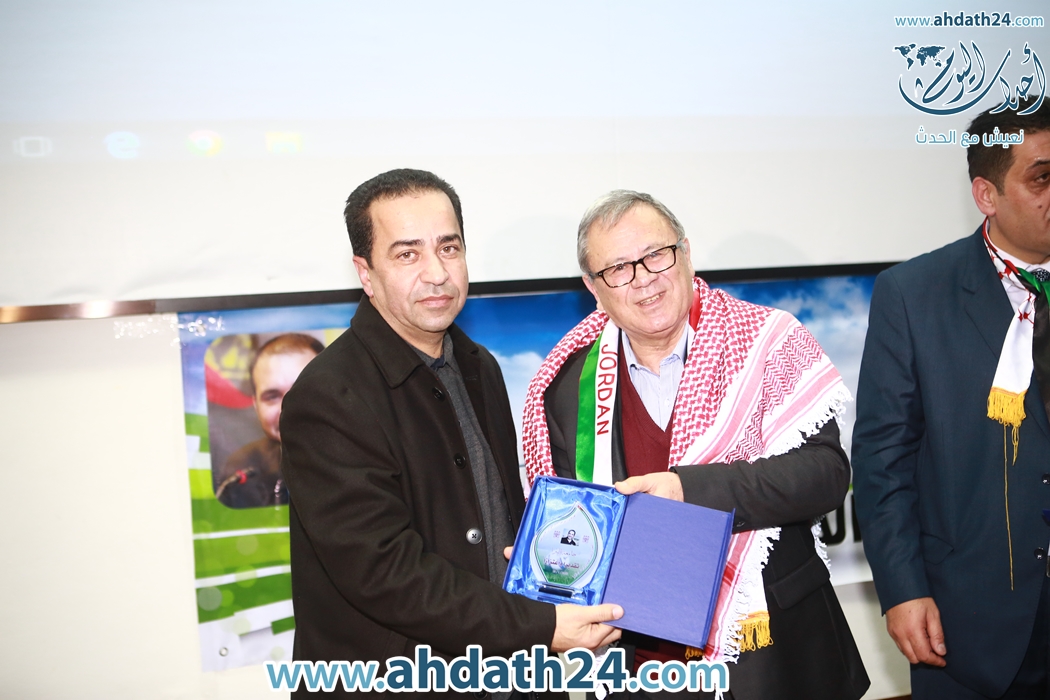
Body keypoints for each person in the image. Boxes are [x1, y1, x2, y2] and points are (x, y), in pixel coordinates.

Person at [279, 168, 623, 697]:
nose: (437, 273)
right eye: (407, 254)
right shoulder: (327, 397)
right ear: (365, 273)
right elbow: (385, 573)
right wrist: (540, 627)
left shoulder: (478, 365)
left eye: (449, 247)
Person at [522, 190, 869, 700]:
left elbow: (825, 476)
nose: (643, 279)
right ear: (593, 288)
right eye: (617, 268)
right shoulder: (565, 387)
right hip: (643, 666)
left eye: (656, 255)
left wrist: (689, 490)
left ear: (685, 253)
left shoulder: (765, 343)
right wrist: (546, 563)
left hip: (780, 655)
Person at [852, 100, 1050, 698]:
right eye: (1042, 178)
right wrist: (903, 589)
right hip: (972, 620)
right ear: (987, 195)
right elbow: (882, 462)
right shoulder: (913, 294)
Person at [214, 333, 323, 508]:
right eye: (272, 397)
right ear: (256, 405)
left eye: (302, 390)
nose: (288, 408)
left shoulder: (366, 455)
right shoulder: (238, 471)